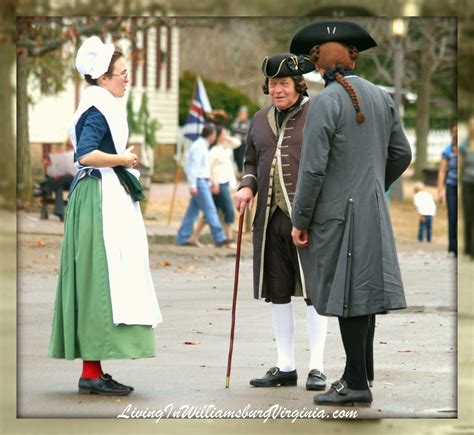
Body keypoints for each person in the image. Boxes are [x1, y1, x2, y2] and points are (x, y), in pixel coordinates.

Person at [289, 21, 412, 406]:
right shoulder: (380, 95)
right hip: (372, 209)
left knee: (347, 296)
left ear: (319, 62)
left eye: (314, 54)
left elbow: (311, 169)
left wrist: (300, 219)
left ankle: (356, 382)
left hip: (336, 215)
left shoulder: (326, 101)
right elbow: (403, 154)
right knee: (363, 293)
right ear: (354, 56)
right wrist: (374, 184)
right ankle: (360, 372)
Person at [48, 36, 162, 396]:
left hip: (101, 195)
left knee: (102, 278)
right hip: (98, 198)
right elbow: (84, 154)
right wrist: (123, 159)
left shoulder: (99, 103)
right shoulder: (97, 108)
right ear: (102, 76)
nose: (126, 79)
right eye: (122, 73)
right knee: (101, 278)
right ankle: (92, 372)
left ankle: (94, 369)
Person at [234, 53, 329, 391]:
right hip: (269, 220)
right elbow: (250, 160)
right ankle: (286, 365)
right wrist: (247, 186)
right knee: (278, 293)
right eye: (273, 84)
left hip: (308, 219)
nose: (277, 90)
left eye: (284, 84)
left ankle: (317, 366)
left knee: (314, 293)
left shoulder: (317, 113)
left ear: (297, 85)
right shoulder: (259, 119)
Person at [176, 124, 233, 247]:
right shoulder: (199, 147)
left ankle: (182, 237)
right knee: (210, 210)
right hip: (199, 182)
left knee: (192, 212)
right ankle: (220, 237)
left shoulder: (202, 146)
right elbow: (193, 168)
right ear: (211, 135)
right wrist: (193, 185)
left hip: (202, 181)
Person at [437, 123, 458, 257]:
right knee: (453, 217)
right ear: (451, 133)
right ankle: (452, 248)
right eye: (454, 131)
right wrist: (440, 190)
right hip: (451, 187)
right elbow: (442, 171)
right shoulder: (447, 151)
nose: (456, 133)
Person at [460, 116, 474, 258]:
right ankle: (468, 247)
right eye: (471, 125)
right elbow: (461, 165)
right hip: (467, 183)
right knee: (468, 215)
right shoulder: (464, 145)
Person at [231, 106, 251, 173]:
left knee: (240, 158)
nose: (242, 115)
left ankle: (240, 171)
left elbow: (247, 133)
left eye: (244, 114)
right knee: (235, 157)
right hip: (234, 144)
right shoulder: (235, 122)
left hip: (243, 143)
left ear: (246, 115)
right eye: (241, 113)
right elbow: (233, 131)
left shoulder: (248, 123)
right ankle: (236, 170)